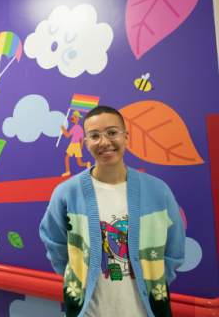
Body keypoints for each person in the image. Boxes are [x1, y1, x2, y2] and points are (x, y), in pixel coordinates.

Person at [40, 106, 185, 317]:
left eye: (112, 132)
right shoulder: (66, 193)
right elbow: (54, 243)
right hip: (88, 311)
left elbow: (174, 249)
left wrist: (156, 281)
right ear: (86, 143)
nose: (105, 142)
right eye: (94, 136)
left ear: (126, 137)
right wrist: (77, 278)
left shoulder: (158, 191)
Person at [60, 110, 91, 177]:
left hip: (77, 145)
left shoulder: (79, 128)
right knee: (66, 158)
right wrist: (63, 129)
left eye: (73, 117)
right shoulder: (74, 127)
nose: (72, 118)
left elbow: (82, 138)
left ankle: (87, 164)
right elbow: (68, 135)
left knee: (79, 163)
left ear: (77, 118)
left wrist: (80, 146)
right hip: (72, 144)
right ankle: (68, 171)